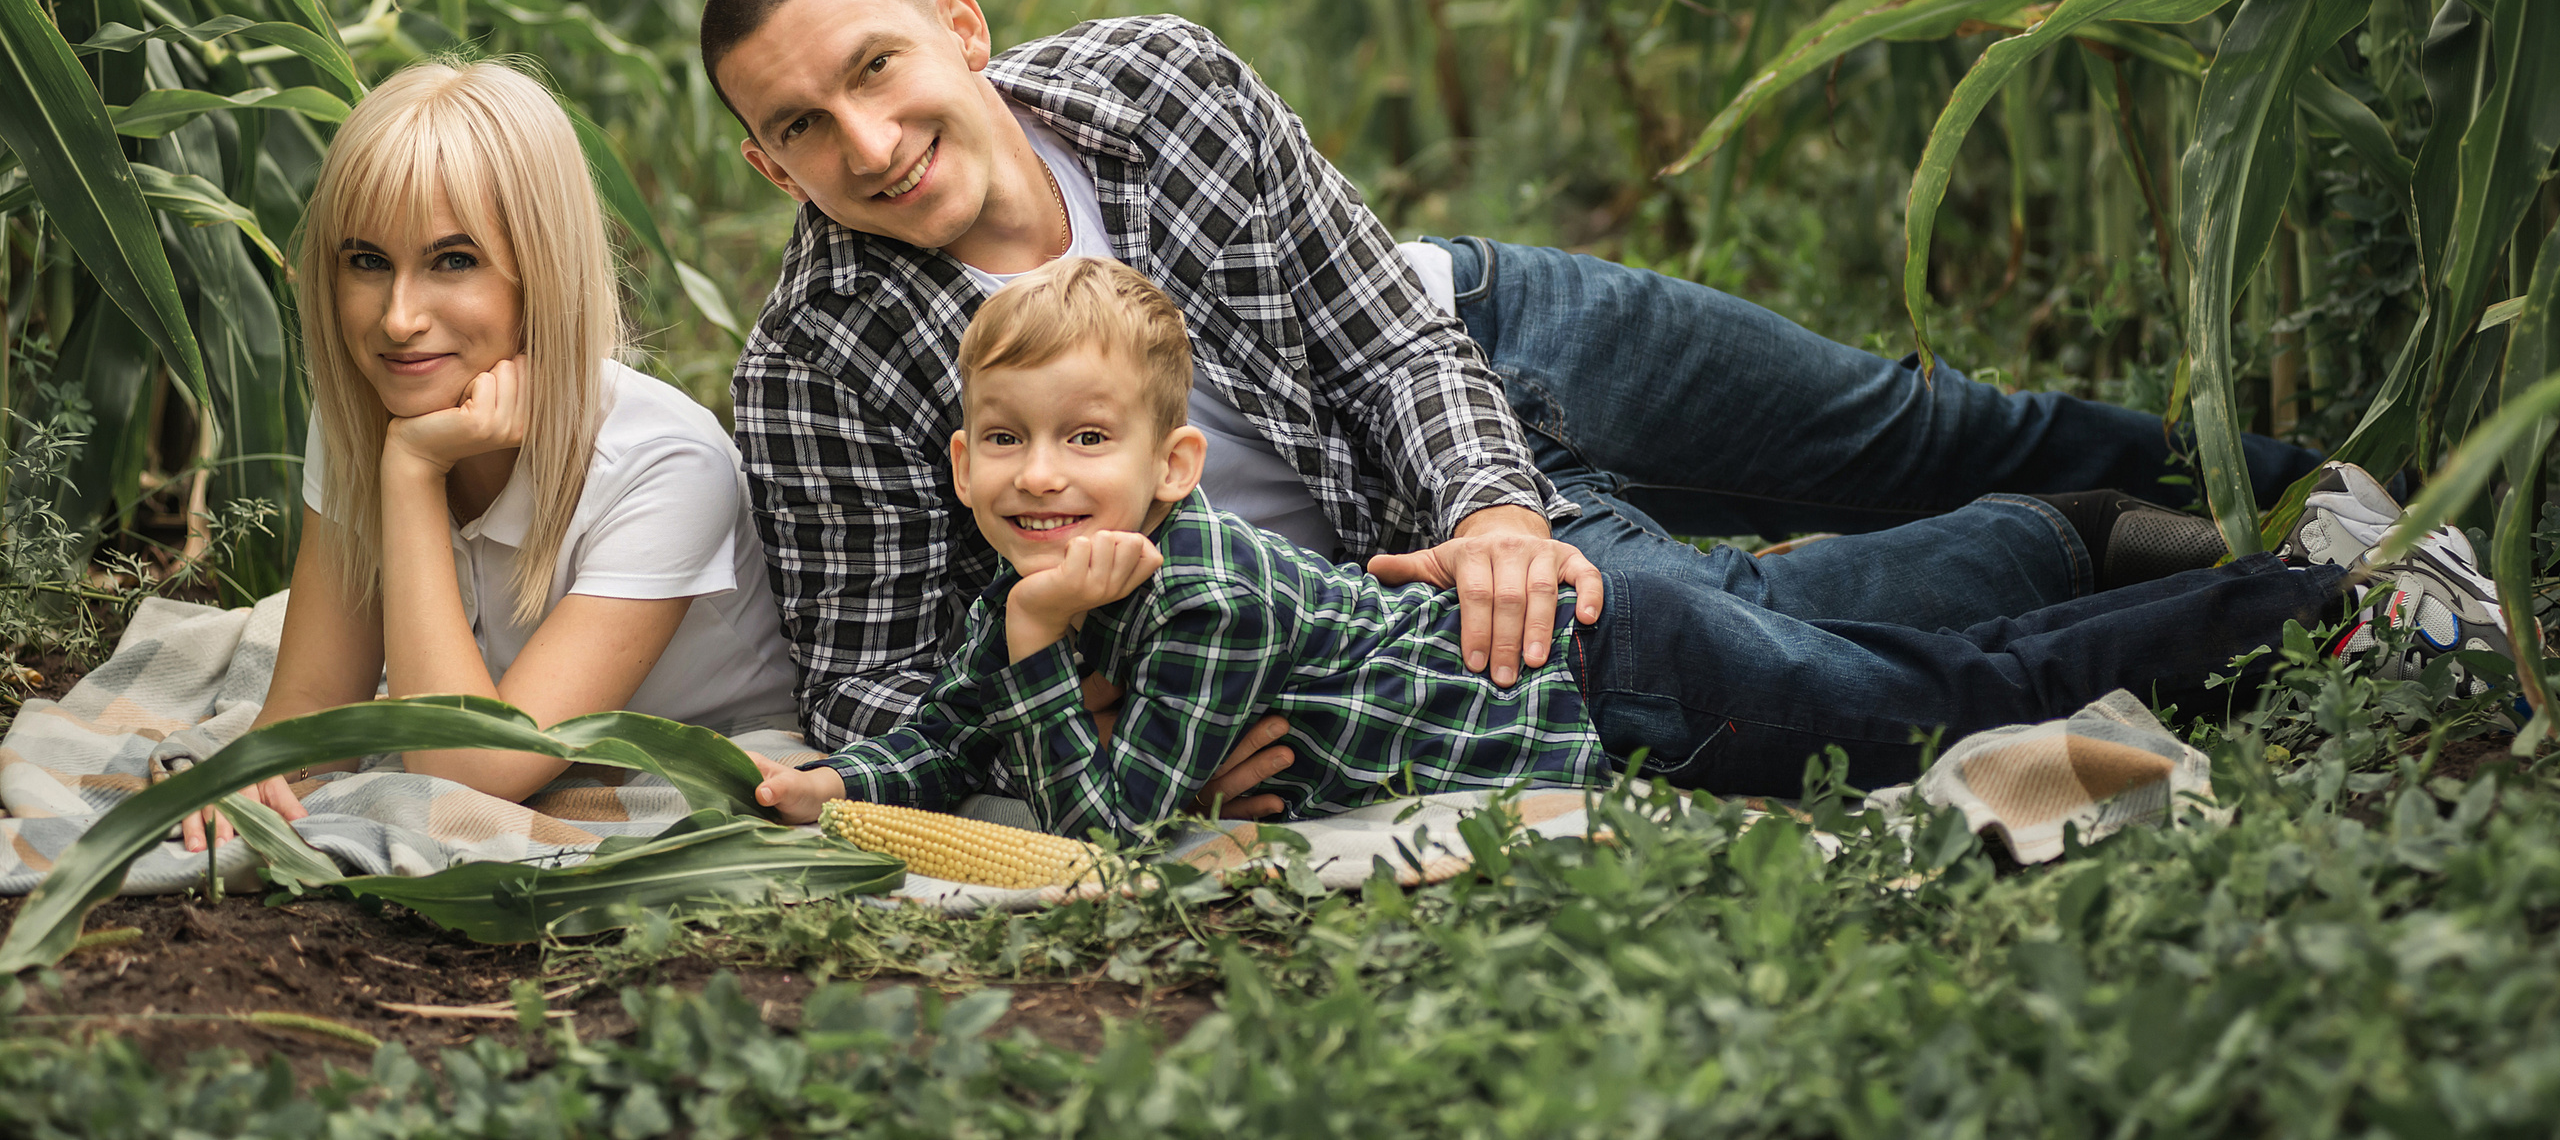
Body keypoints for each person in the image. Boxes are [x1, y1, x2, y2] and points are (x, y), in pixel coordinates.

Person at [703, 0, 2321, 800]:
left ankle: (2315, 480)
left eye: (878, 66)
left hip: (1471, 342)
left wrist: (1496, 501)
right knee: (1736, 628)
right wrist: (1126, 715)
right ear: (773, 164)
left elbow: (1385, 331)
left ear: (962, 29)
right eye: (801, 124)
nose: (868, 135)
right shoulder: (814, 365)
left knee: (1913, 420)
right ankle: (2094, 542)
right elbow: (867, 674)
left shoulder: (1161, 80)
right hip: (1361, 569)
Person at [750, 259, 2516, 833]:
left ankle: (2306, 602)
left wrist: (1048, 656)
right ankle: (2165, 565)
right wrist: (859, 772)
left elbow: (1114, 822)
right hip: (1604, 662)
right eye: (1001, 443)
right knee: (1900, 666)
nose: (1038, 477)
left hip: (1616, 687)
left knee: (1926, 704)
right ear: (956, 453)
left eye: (1082, 443)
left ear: (1175, 461)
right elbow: (969, 718)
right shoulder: (1051, 560)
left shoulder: (1185, 576)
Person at [180, 60, 796, 851]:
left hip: (690, 752)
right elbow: (313, 712)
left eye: (453, 260)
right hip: (497, 727)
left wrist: (409, 473)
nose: (399, 318)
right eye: (367, 261)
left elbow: (468, 768)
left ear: (539, 273)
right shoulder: (371, 409)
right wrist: (250, 771)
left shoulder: (667, 464)